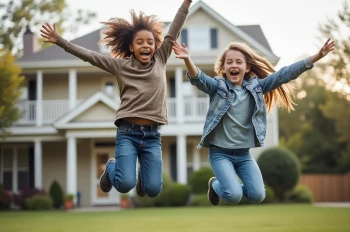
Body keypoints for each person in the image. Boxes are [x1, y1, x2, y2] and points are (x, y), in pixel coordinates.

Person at [40, 0, 193, 198]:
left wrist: (187, 3)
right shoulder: (120, 66)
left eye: (150, 42)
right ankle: (111, 168)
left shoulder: (161, 59)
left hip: (152, 135)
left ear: (156, 45)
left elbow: (174, 30)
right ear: (131, 46)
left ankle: (142, 176)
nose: (145, 45)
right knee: (124, 184)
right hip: (128, 133)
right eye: (140, 42)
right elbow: (90, 56)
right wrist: (60, 41)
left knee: (153, 190)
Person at [172, 38, 334, 205]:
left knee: (257, 195)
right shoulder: (217, 88)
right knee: (233, 196)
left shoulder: (257, 88)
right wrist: (187, 59)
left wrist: (317, 56)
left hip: (243, 154)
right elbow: (199, 78)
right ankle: (215, 184)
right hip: (220, 154)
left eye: (238, 62)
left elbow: (284, 74)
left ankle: (225, 186)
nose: (234, 65)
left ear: (247, 67)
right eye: (229, 62)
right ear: (224, 68)